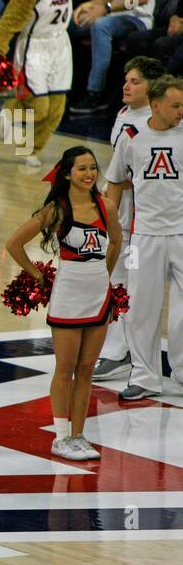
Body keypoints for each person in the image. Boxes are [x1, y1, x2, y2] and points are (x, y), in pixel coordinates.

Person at [6, 146, 122, 459]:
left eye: (93, 168)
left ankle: (79, 435)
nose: (89, 174)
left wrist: (104, 276)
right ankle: (60, 437)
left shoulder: (106, 206)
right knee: (65, 368)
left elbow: (116, 242)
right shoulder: (57, 210)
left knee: (86, 369)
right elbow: (14, 244)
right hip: (69, 295)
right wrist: (37, 276)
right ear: (68, 173)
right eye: (82, 168)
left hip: (98, 294)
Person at [105, 74, 183, 400]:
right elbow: (114, 183)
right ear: (156, 104)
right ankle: (146, 376)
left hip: (181, 234)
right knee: (140, 308)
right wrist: (107, 231)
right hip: (143, 239)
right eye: (175, 105)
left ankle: (180, 374)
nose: (181, 111)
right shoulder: (131, 137)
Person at [94, 56, 165, 380]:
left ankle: (125, 352)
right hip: (119, 211)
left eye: (135, 81)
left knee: (133, 284)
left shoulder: (156, 121)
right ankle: (115, 348)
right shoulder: (124, 113)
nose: (127, 85)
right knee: (114, 279)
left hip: (144, 217)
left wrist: (116, 184)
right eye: (126, 79)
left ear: (152, 87)